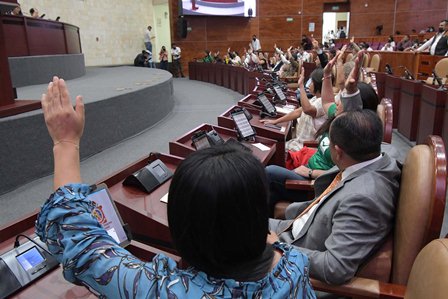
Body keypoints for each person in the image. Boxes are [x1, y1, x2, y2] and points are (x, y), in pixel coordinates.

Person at [36, 76, 316, 298]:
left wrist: (66, 143)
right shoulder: (293, 264)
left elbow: (80, 242)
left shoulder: (166, 292)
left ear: (183, 229)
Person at [269, 108, 401, 285]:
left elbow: (334, 268)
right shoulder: (377, 155)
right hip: (296, 228)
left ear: (338, 152)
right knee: (236, 222)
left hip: (292, 260)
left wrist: (279, 247)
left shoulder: (363, 199)